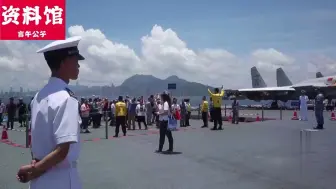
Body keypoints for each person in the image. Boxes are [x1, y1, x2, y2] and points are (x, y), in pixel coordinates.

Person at [16, 36, 84, 188]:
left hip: (40, 179)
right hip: (62, 179)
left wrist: (35, 171)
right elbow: (62, 150)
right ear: (63, 62)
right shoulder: (67, 99)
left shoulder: (38, 96)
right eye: (75, 60)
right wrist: (35, 170)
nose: (78, 65)